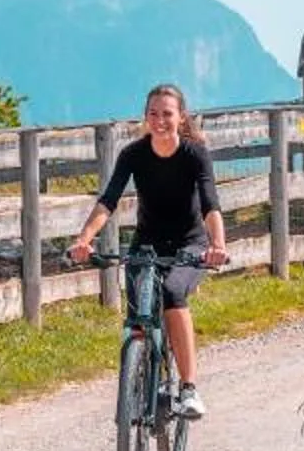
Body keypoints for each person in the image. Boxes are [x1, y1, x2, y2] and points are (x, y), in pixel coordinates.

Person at [68, 83, 229, 418]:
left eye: (167, 114)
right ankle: (142, 378)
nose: (159, 120)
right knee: (138, 317)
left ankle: (188, 389)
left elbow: (210, 204)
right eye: (153, 114)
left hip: (190, 245)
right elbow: (108, 201)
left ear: (181, 117)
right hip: (146, 244)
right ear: (145, 117)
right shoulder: (133, 154)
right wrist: (84, 240)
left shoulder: (194, 154)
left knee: (171, 292)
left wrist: (217, 245)